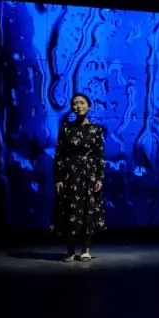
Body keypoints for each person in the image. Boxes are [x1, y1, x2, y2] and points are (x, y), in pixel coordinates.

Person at [51, 92, 107, 262]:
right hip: (70, 174)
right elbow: (59, 155)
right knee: (70, 211)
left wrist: (99, 178)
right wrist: (59, 178)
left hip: (89, 174)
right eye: (75, 103)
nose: (78, 106)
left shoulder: (96, 129)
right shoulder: (66, 128)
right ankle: (70, 250)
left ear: (88, 106)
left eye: (82, 103)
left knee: (88, 211)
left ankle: (85, 250)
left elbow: (100, 155)